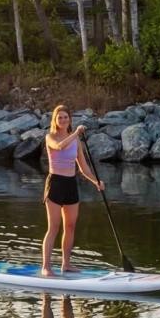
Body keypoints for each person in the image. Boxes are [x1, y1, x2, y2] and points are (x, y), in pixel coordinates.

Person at [41, 105, 100, 276]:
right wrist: (76, 133)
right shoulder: (50, 137)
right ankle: (46, 267)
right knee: (54, 227)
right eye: (59, 117)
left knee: (70, 226)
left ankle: (66, 264)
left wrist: (96, 182)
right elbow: (59, 146)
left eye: (65, 117)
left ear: (69, 119)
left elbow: (83, 168)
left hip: (70, 184)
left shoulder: (76, 141)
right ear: (55, 120)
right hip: (55, 184)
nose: (63, 120)